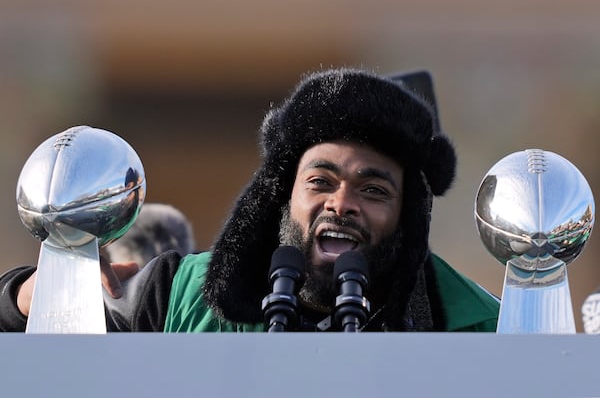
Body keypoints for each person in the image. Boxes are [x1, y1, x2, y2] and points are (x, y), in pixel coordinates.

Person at [0, 67, 499, 332]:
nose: (341, 203)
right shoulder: (177, 295)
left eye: (373, 190)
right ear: (284, 198)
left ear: (406, 217)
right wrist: (31, 297)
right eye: (320, 182)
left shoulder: (477, 326)